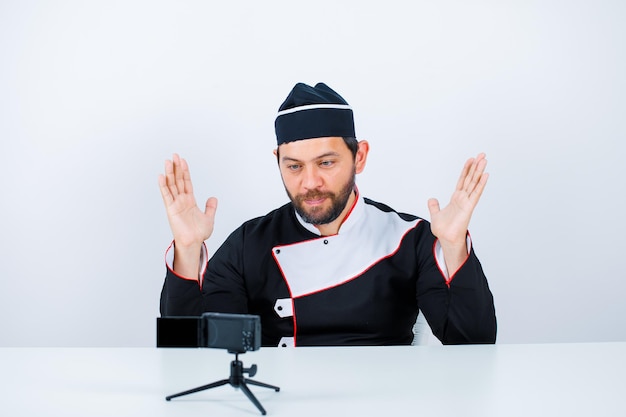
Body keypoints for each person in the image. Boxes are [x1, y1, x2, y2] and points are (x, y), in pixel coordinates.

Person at [159, 82, 496, 347]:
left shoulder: (410, 237)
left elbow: (473, 345)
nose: (310, 183)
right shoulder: (249, 243)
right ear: (278, 160)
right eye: (294, 166)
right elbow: (191, 352)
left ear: (359, 156)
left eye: (326, 162)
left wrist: (453, 247)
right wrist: (187, 251)